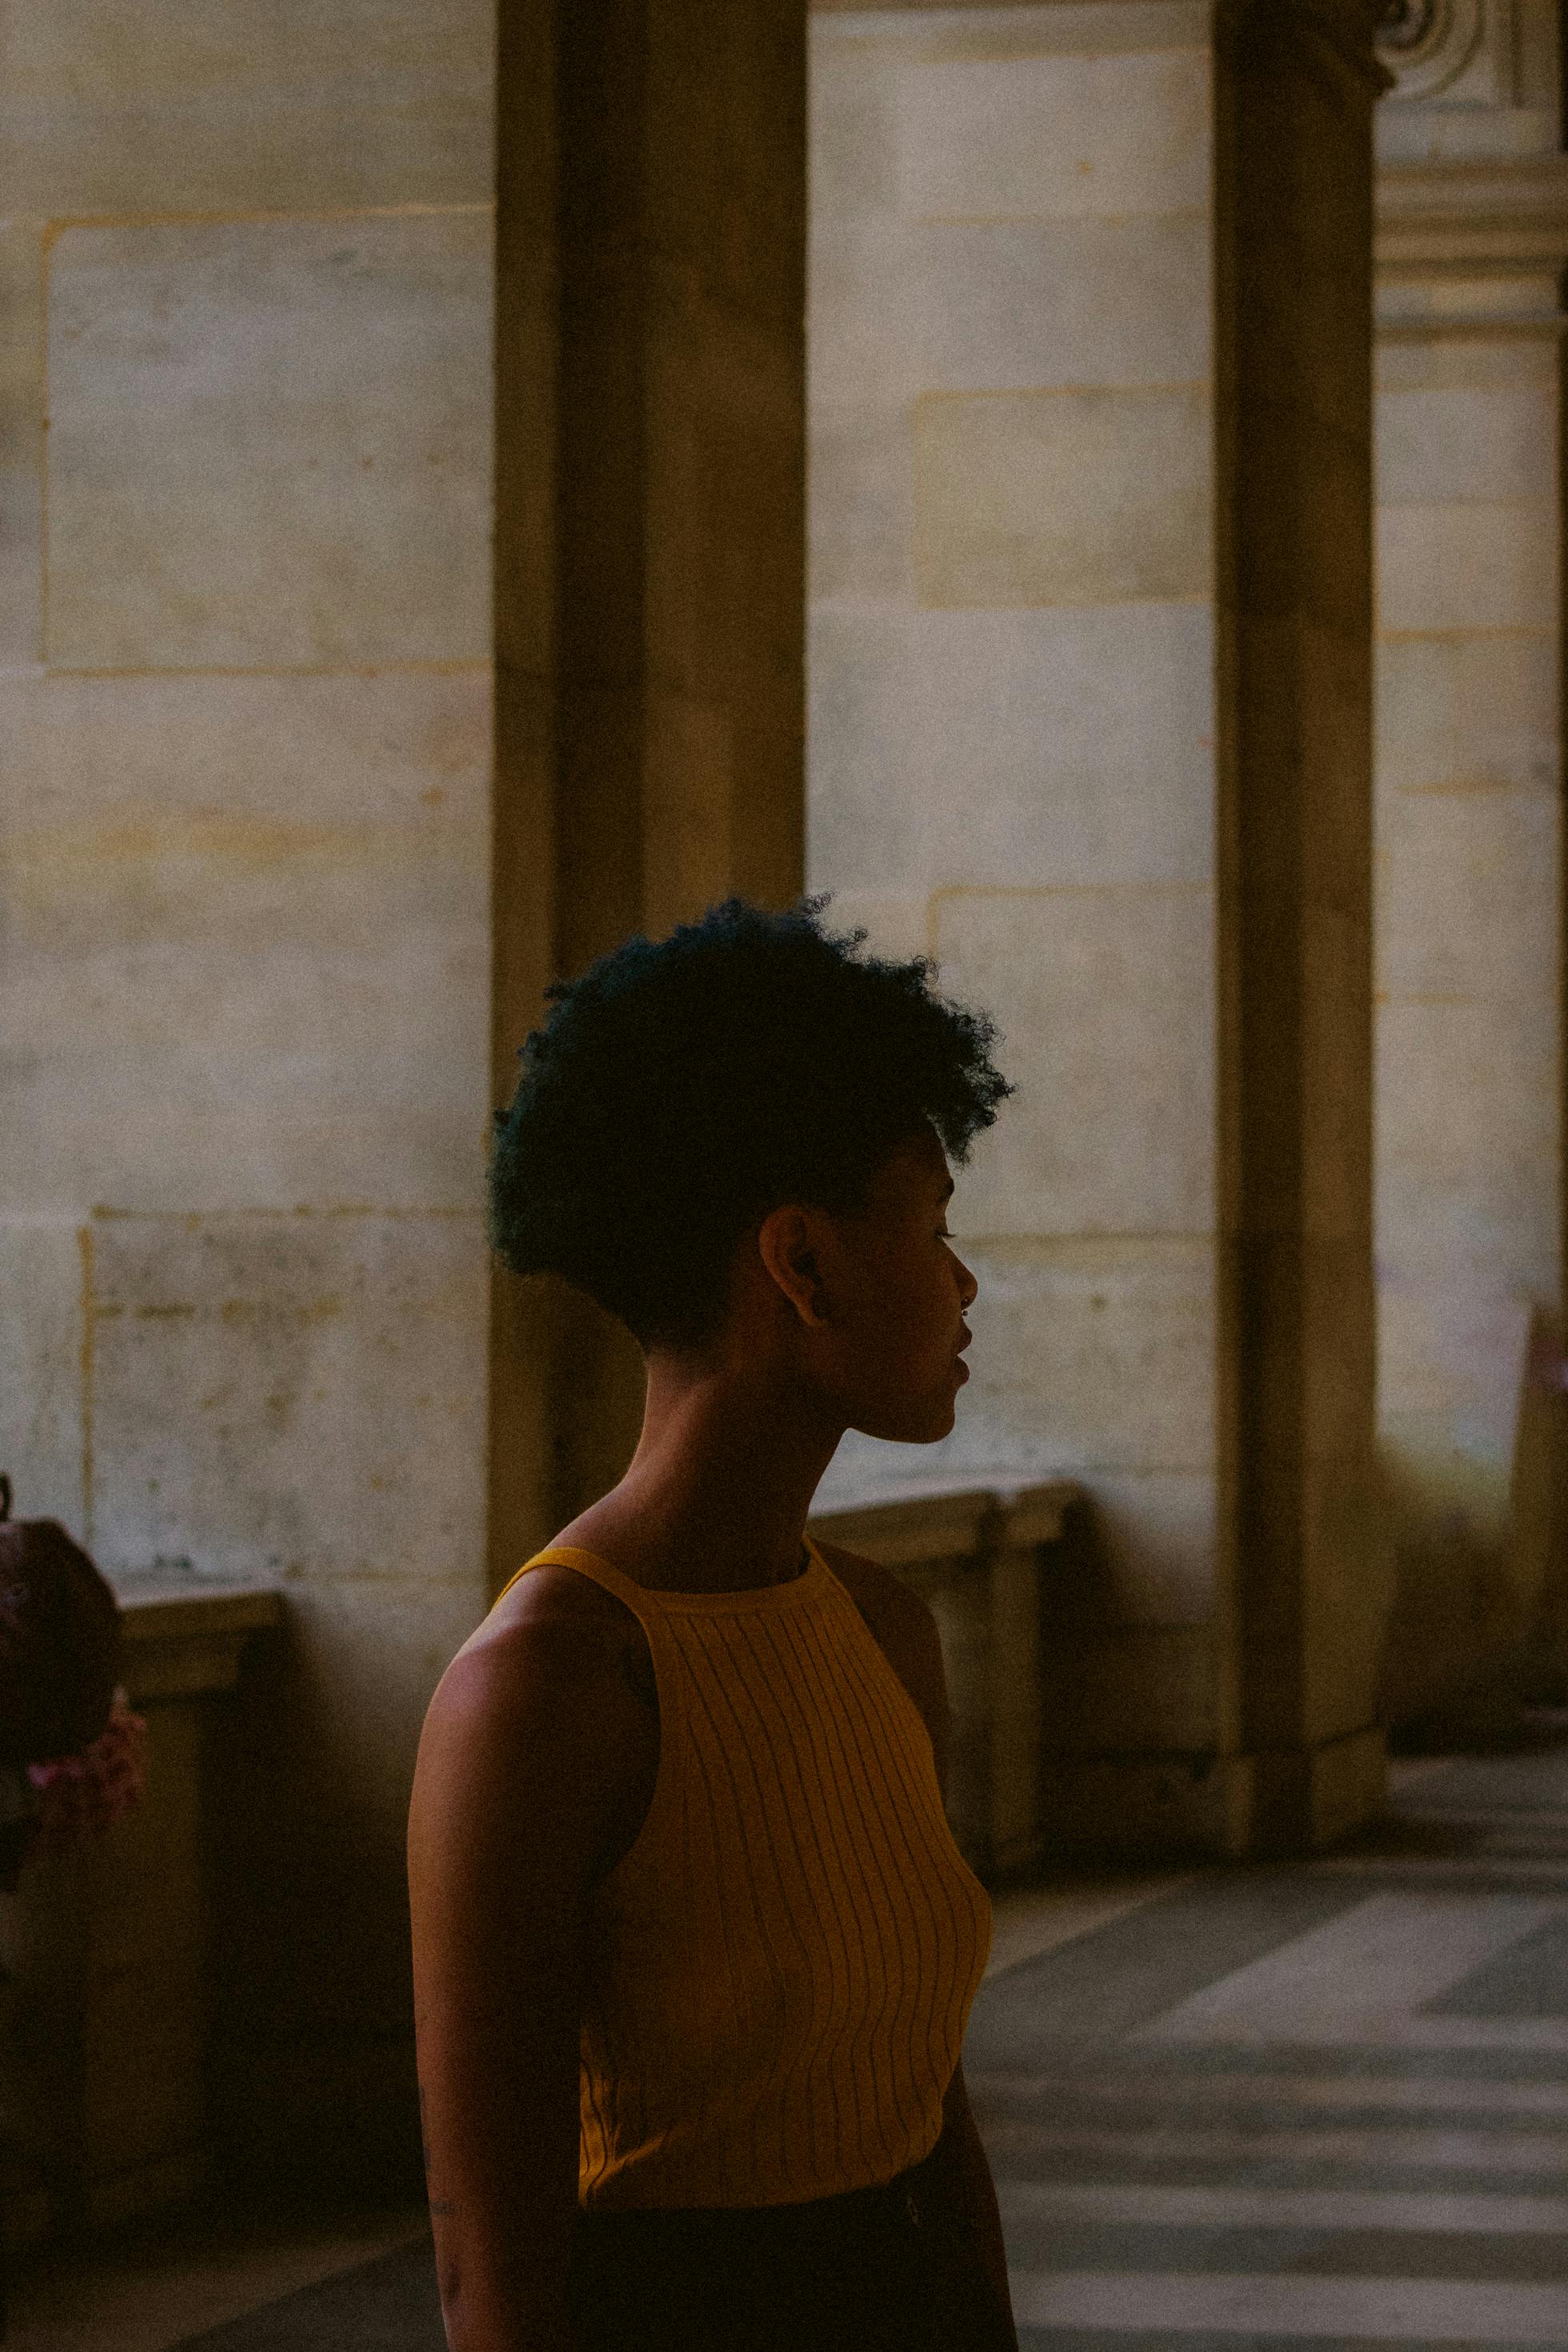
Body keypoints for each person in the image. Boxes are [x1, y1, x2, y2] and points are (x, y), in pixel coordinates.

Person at [408, 898, 1018, 2352]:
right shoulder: (545, 1689)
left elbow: (925, 2107)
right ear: (800, 1265)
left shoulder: (882, 1628)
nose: (965, 1281)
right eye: (935, 1225)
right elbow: (492, 2273)